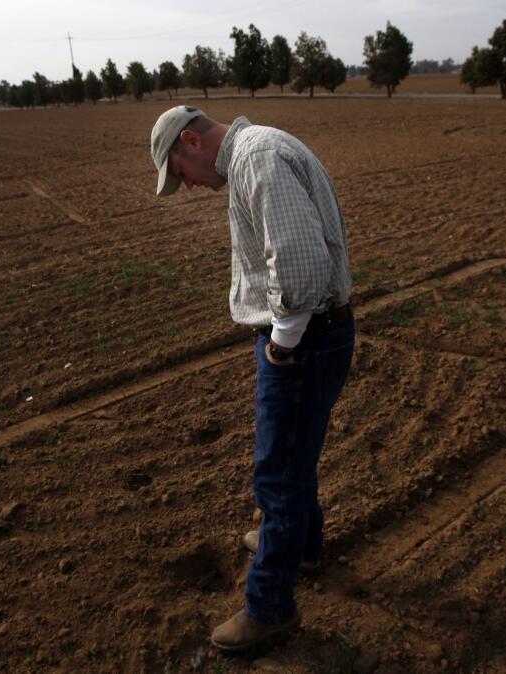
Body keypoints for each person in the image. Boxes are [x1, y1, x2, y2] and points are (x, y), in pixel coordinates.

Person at [150, 106, 355, 651]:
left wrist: (282, 348)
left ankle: (270, 609)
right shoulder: (255, 152)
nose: (188, 187)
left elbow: (300, 263)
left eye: (180, 174)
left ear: (190, 141)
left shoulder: (256, 158)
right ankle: (303, 548)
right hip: (314, 333)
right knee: (295, 454)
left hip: (303, 338)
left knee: (278, 473)